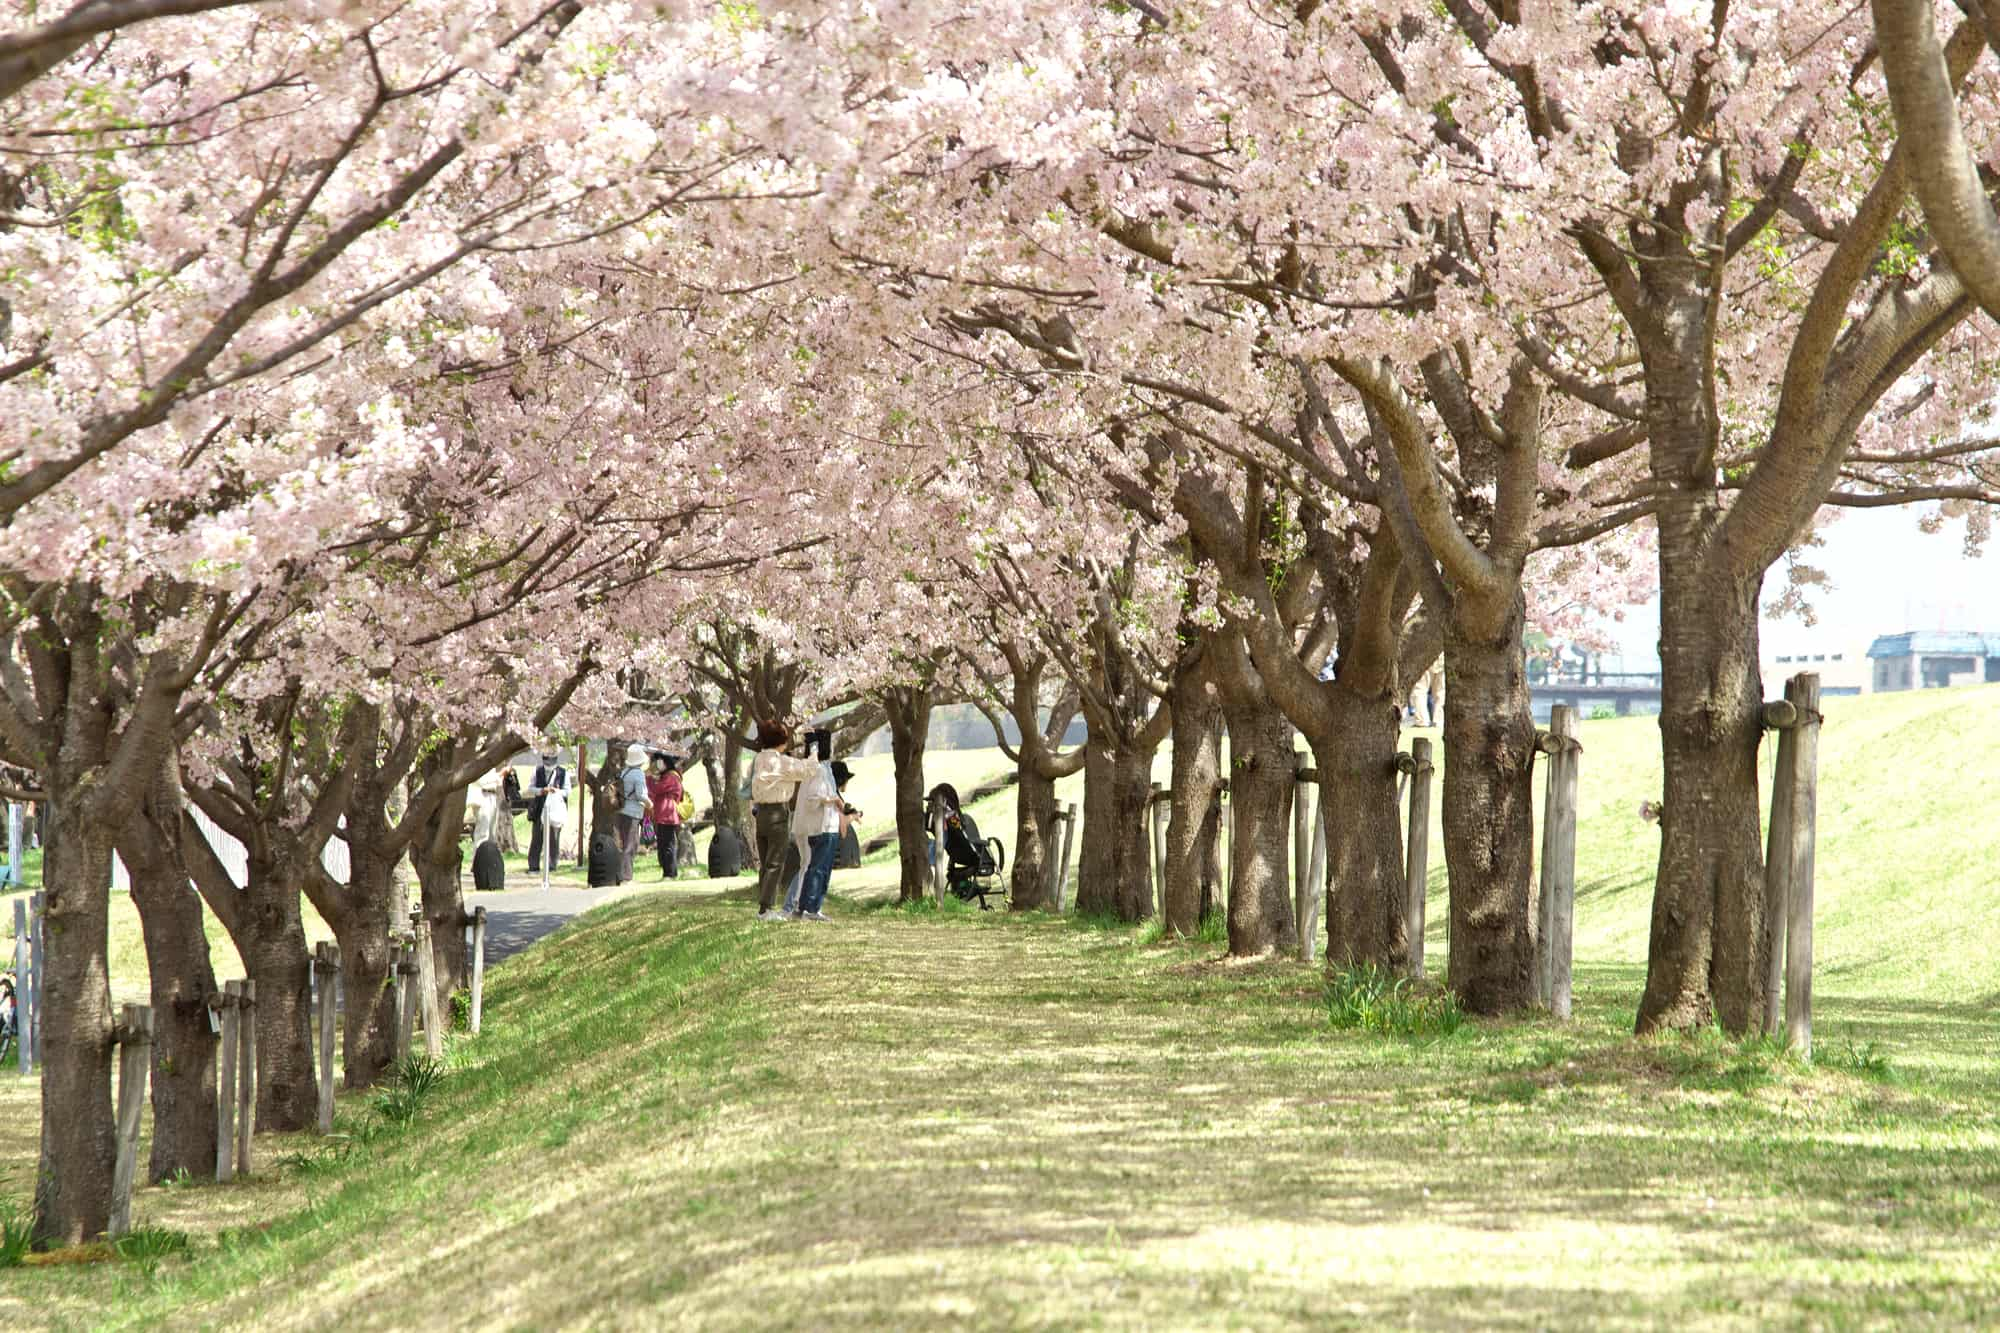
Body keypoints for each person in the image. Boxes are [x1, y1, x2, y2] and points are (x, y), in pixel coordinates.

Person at [748, 718, 822, 921]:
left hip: (760, 812)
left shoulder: (758, 760)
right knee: (775, 862)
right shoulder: (779, 761)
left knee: (765, 863)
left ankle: (763, 907)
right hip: (777, 814)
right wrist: (813, 746)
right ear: (781, 740)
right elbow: (808, 769)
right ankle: (767, 909)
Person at [790, 757, 852, 922]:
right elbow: (813, 800)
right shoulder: (820, 771)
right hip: (822, 828)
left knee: (815, 869)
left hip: (822, 827)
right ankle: (810, 908)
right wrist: (834, 800)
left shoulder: (822, 771)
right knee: (817, 870)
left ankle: (804, 907)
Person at [526, 745, 568, 873]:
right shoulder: (537, 771)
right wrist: (541, 791)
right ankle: (533, 865)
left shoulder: (562, 772)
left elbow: (567, 791)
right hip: (540, 808)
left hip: (555, 808)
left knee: (554, 839)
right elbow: (530, 788)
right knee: (537, 838)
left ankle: (552, 865)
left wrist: (557, 791)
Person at [647, 754, 684, 879]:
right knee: (663, 845)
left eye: (659, 761)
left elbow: (657, 789)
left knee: (668, 845)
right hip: (662, 816)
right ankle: (667, 871)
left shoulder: (671, 776)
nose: (657, 764)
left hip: (668, 816)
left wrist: (649, 778)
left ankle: (670, 873)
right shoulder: (666, 776)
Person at [617, 743, 647, 884]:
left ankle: (621, 875)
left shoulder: (625, 772)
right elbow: (641, 795)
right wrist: (650, 803)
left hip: (621, 811)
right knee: (631, 844)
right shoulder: (638, 774)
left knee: (623, 843)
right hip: (633, 812)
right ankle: (626, 877)